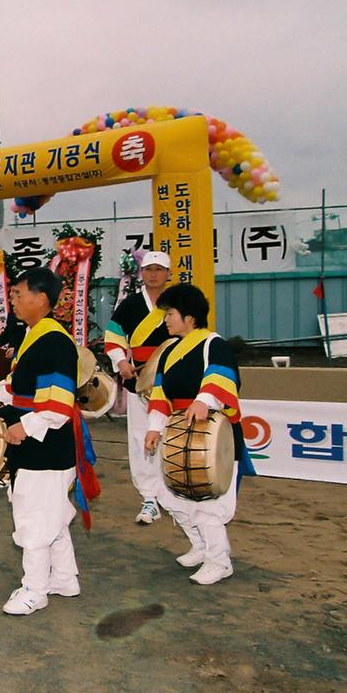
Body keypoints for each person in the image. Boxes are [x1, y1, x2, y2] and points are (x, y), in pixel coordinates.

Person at [0, 268, 99, 616]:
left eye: (19, 294)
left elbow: (58, 405)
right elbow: (19, 385)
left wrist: (25, 425)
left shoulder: (53, 341)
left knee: (34, 515)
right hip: (42, 441)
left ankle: (35, 589)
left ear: (42, 299)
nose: (14, 300)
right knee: (52, 514)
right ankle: (64, 578)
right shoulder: (35, 336)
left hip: (45, 442)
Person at [144, 283, 255, 586]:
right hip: (180, 432)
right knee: (172, 497)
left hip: (212, 437)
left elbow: (221, 379)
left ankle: (220, 561)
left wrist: (202, 401)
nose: (165, 319)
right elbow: (160, 394)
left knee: (207, 502)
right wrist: (154, 426)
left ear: (190, 317)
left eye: (170, 314)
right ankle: (201, 546)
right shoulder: (169, 353)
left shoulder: (213, 345)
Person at [104, 251, 173, 525]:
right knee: (141, 438)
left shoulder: (178, 303)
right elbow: (113, 336)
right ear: (141, 273)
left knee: (173, 436)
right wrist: (121, 361)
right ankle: (149, 498)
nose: (153, 274)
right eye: (148, 269)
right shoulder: (131, 305)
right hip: (140, 383)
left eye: (159, 269)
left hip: (172, 380)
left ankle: (174, 493)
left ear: (168, 273)